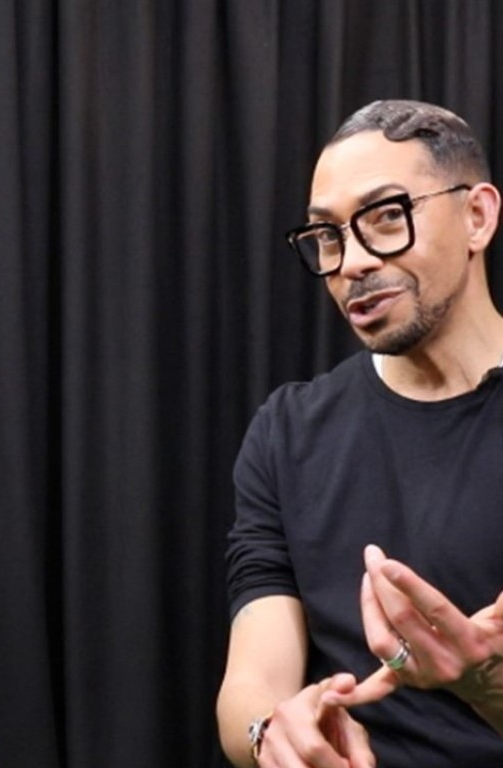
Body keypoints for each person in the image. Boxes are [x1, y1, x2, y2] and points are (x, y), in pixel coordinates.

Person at [216, 99, 503, 768]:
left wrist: (486, 684)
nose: (351, 263)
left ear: (477, 216)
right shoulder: (289, 433)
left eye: (386, 217)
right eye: (327, 235)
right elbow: (253, 681)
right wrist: (275, 733)